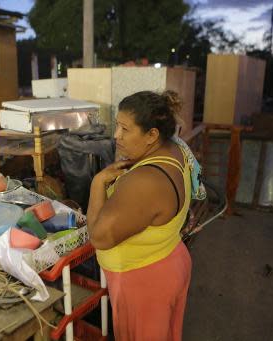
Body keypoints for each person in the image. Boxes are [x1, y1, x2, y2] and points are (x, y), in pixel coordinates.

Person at [87, 90, 193, 341]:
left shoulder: (145, 180)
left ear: (152, 135)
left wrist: (98, 182)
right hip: (169, 259)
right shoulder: (175, 150)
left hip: (146, 281)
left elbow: (99, 238)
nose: (116, 136)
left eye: (125, 129)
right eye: (116, 126)